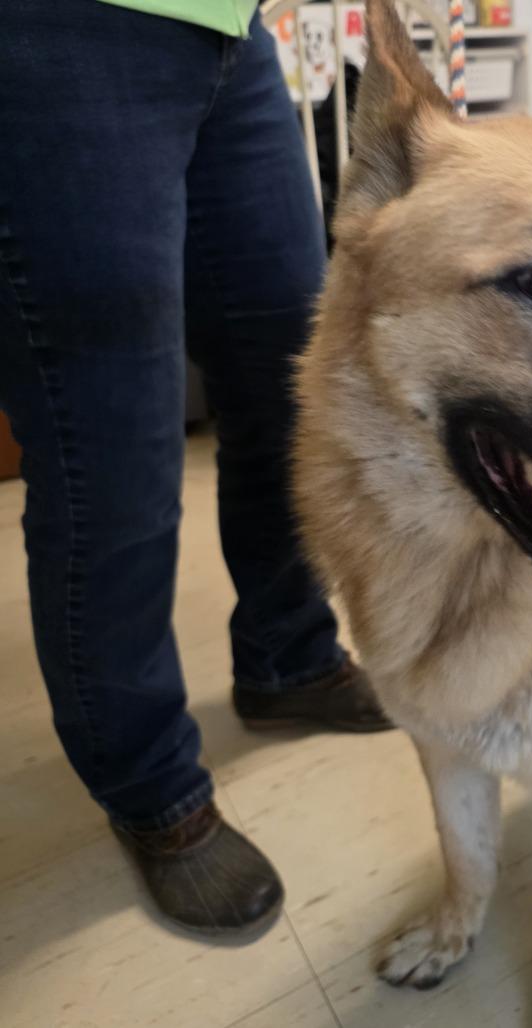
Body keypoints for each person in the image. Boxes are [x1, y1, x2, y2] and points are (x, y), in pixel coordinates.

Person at [0, 0, 391, 938]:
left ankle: (286, 656)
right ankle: (149, 783)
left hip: (228, 28)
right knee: (112, 452)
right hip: (56, 32)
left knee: (286, 381)